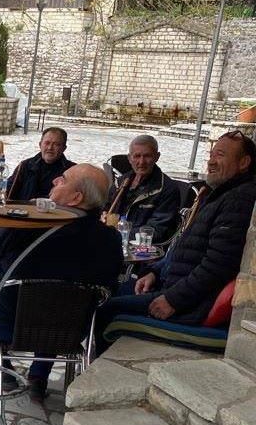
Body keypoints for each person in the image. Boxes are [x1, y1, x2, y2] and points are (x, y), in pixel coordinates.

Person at [0, 164, 123, 401]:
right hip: (70, 331)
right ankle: (39, 376)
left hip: (11, 325)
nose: (54, 181)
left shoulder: (32, 225)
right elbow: (110, 286)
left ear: (76, 198)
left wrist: (20, 216)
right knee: (62, 304)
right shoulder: (110, 239)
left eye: (63, 180)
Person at [96, 131, 256, 354]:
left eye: (220, 155)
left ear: (244, 163)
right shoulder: (221, 194)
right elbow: (184, 247)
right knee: (106, 291)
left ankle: (100, 370)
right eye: (211, 154)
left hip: (189, 307)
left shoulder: (239, 200)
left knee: (105, 308)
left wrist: (173, 300)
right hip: (169, 284)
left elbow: (218, 265)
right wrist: (154, 272)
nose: (211, 161)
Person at [103, 135, 180, 243]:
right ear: (129, 158)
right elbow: (105, 208)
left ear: (157, 157)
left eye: (147, 156)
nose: (141, 162)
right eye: (137, 156)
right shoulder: (120, 182)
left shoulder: (167, 189)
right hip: (113, 240)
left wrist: (118, 234)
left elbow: (156, 231)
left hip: (142, 248)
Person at [7, 127, 76, 201]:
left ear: (64, 148)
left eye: (56, 144)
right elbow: (8, 192)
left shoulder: (72, 171)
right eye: (47, 143)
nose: (50, 148)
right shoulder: (25, 166)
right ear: (40, 145)